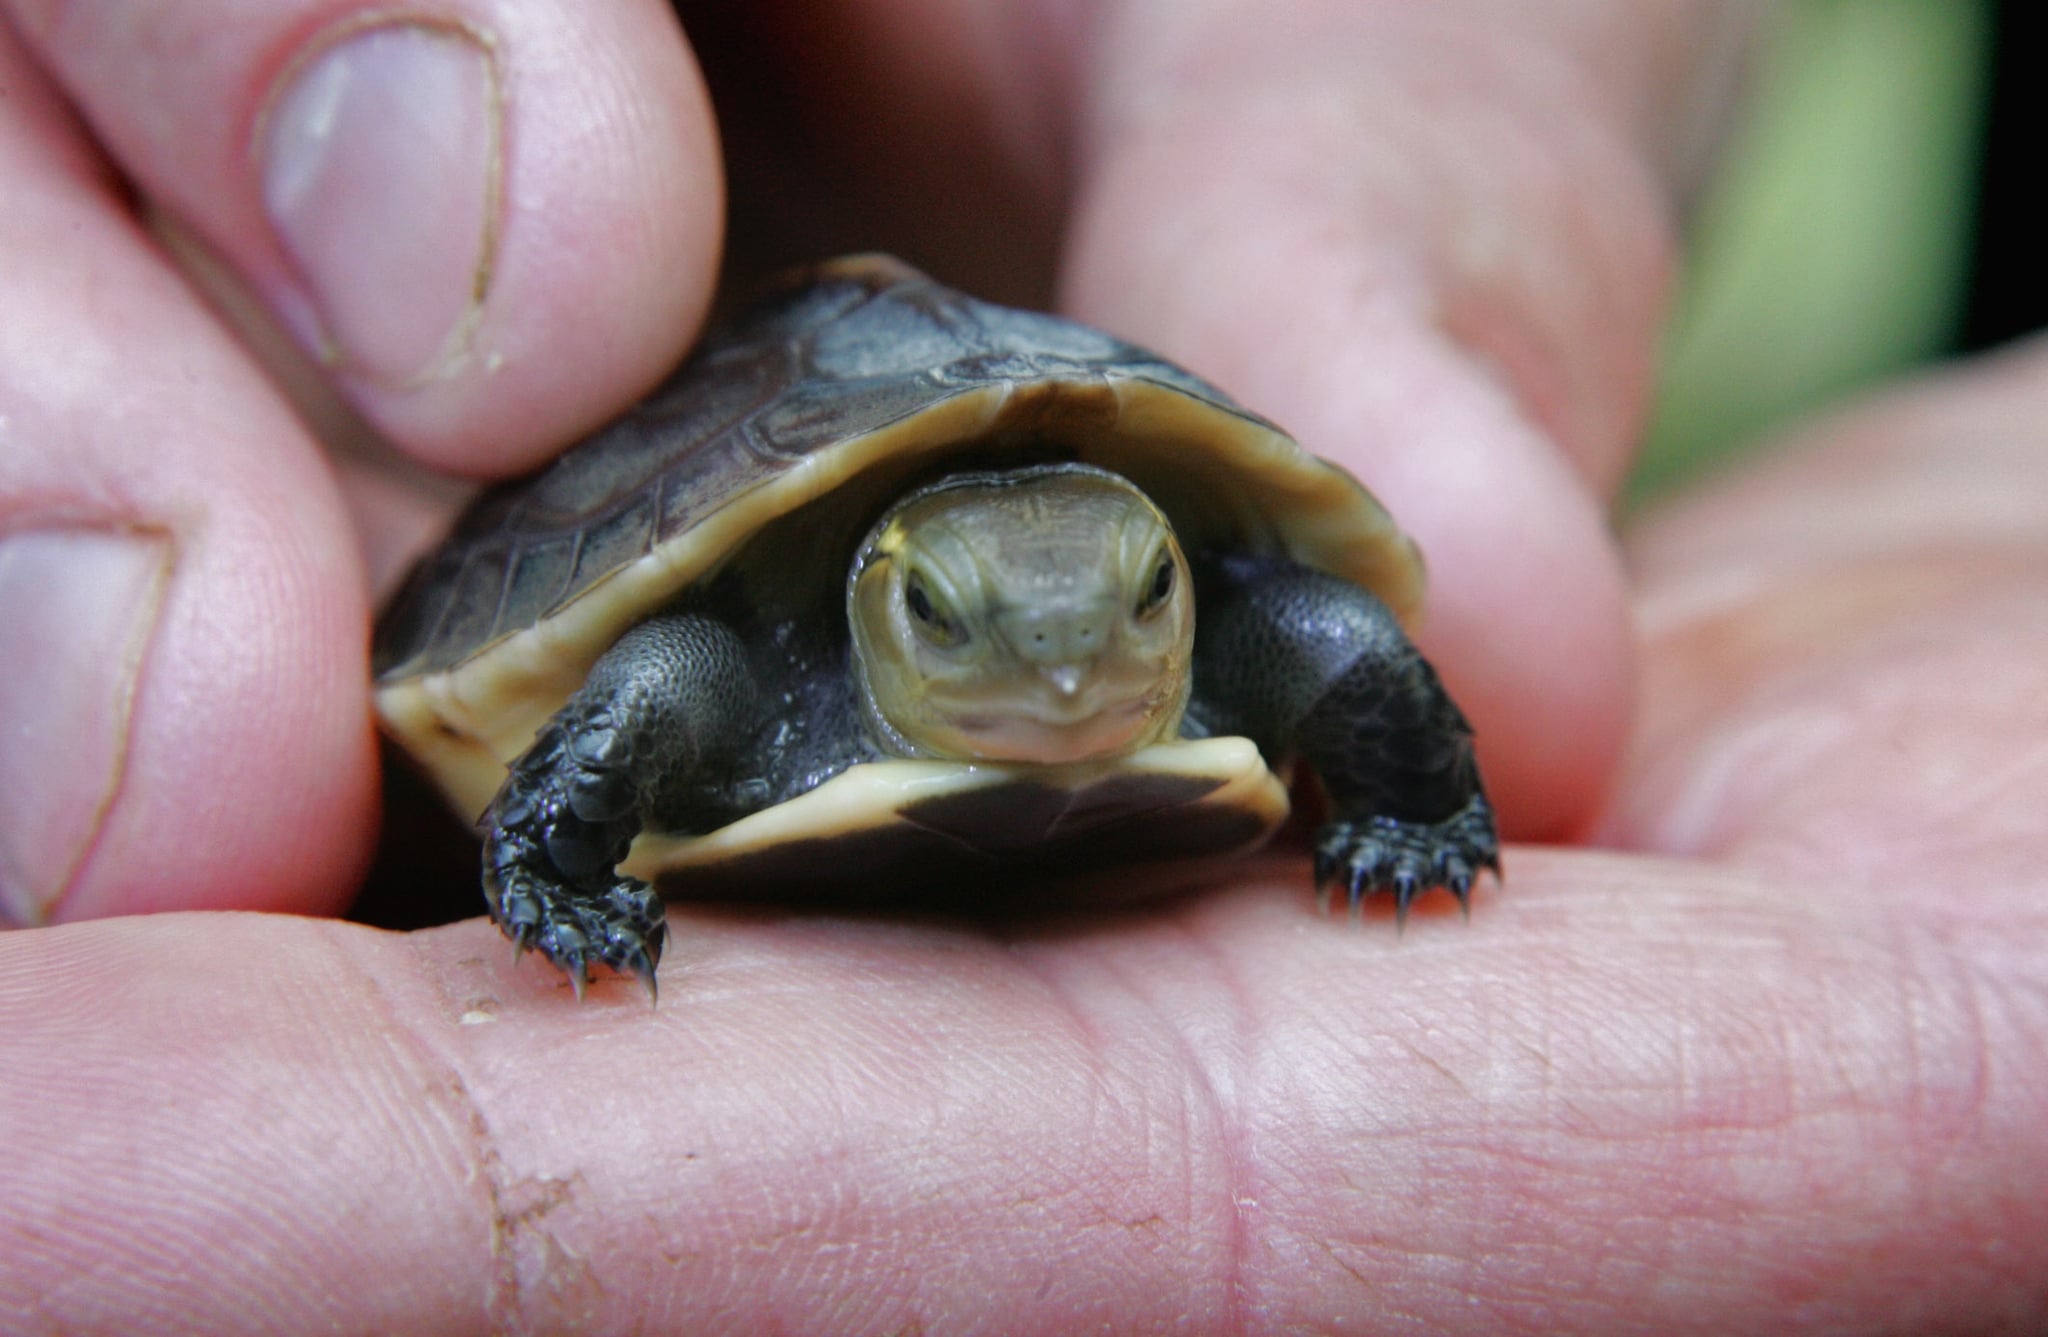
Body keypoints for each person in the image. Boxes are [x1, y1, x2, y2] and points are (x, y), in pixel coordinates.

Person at [2, 2, 2041, 1329]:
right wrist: (558, 851)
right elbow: (645, 685)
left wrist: (1413, 796)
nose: (1069, 660)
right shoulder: (729, 677)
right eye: (958, 623)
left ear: (1174, 588)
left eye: (1141, 609)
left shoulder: (1238, 629)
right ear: (883, 601)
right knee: (653, 697)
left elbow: (1331, 636)